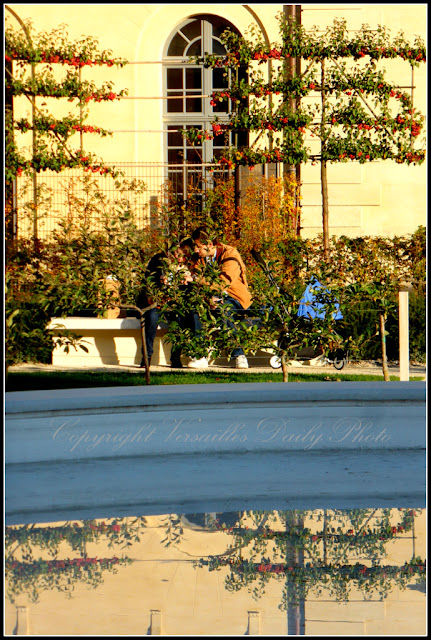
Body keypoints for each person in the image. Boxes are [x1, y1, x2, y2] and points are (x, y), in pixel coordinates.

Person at [189, 226, 252, 369]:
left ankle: (239, 355)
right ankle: (200, 355)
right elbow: (197, 279)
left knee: (224, 310)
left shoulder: (230, 254)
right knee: (196, 309)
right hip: (211, 298)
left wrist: (200, 283)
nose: (196, 250)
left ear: (209, 244)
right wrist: (208, 297)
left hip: (234, 297)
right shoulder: (201, 259)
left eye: (198, 246)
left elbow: (224, 281)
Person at [136, 239, 196, 369]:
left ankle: (176, 357)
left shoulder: (190, 266)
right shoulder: (158, 261)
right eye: (177, 253)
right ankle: (146, 357)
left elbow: (192, 289)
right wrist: (159, 289)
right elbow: (148, 281)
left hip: (176, 304)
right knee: (151, 317)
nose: (179, 258)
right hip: (157, 302)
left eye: (184, 255)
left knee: (180, 318)